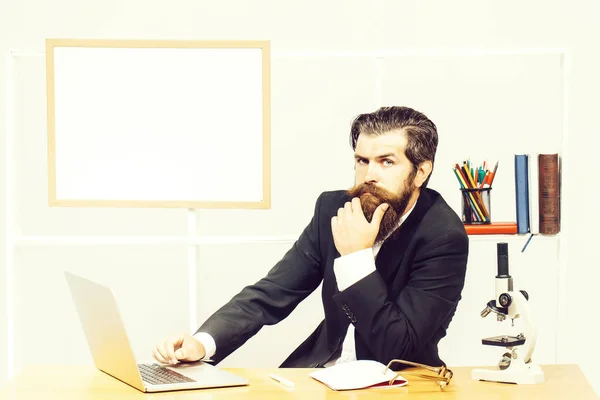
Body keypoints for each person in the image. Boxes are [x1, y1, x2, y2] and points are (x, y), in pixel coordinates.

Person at [152, 106, 469, 369]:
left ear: (421, 172)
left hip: (398, 384)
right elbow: (272, 292)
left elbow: (396, 346)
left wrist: (356, 259)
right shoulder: (333, 209)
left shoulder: (443, 237)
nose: (369, 175)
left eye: (387, 161)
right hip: (320, 375)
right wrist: (203, 343)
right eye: (362, 161)